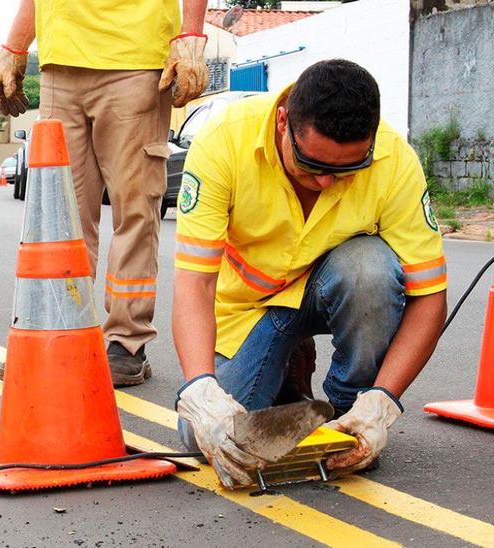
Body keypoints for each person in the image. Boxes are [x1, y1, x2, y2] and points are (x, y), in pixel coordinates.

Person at [172, 60, 448, 489]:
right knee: (209, 440)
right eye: (310, 163)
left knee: (370, 269)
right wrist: (202, 392)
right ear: (284, 121)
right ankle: (288, 369)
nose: (324, 181)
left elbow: (429, 297)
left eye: (345, 170)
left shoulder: (395, 161)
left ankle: (343, 413)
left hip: (336, 288)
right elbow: (195, 283)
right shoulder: (225, 141)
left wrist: (380, 404)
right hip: (253, 310)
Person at [0, 0, 209, 386]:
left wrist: (191, 35)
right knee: (60, 215)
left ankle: (126, 341)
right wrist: (14, 47)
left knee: (135, 207)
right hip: (61, 62)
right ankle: (57, 330)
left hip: (134, 58)